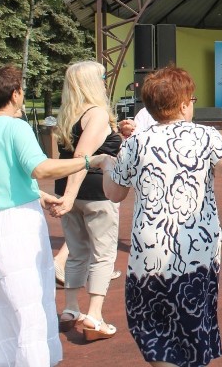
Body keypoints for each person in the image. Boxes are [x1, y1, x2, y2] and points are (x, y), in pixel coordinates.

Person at [102, 66, 222, 367]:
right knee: (192, 325)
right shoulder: (205, 136)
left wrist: (108, 165)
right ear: (185, 104)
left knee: (153, 328)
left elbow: (114, 193)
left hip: (150, 253)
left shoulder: (135, 142)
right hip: (196, 251)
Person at [0, 65, 109, 367]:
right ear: (15, 94)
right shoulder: (15, 126)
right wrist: (88, 160)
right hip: (12, 222)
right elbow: (39, 168)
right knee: (28, 297)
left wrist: (38, 195)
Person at [53, 60, 122, 341]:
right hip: (95, 193)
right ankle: (94, 315)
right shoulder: (96, 114)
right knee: (103, 254)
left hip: (68, 191)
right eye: (103, 77)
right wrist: (69, 196)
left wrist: (67, 196)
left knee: (77, 250)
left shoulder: (66, 114)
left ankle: (70, 308)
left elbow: (64, 159)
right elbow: (83, 159)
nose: (106, 82)